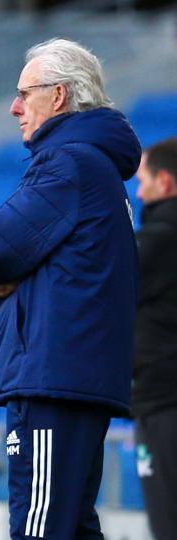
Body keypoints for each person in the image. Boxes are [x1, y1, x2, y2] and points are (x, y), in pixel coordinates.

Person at [0, 39, 140, 539]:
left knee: (41, 529)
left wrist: (3, 284)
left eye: (25, 93)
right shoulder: (94, 167)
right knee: (74, 527)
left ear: (59, 96)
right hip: (71, 377)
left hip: (53, 378)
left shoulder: (70, 163)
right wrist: (3, 289)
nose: (14, 107)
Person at [131, 137, 177, 540]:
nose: (139, 190)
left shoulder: (160, 239)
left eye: (143, 180)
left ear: (166, 182)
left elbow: (98, 289)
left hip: (164, 406)